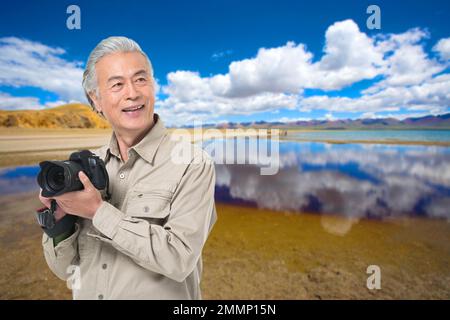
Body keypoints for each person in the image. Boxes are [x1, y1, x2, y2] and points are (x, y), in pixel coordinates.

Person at [38, 36, 217, 300]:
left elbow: (179, 260)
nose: (132, 92)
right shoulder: (82, 169)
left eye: (141, 79)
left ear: (153, 87)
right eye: (117, 84)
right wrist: (60, 223)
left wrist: (98, 211)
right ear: (96, 100)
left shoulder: (192, 164)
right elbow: (64, 270)